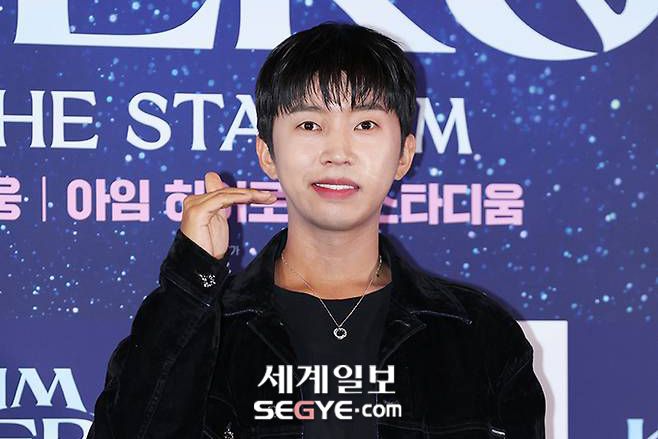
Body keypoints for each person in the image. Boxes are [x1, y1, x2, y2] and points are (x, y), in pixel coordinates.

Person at [88, 22, 546, 439]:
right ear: (267, 153)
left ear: (404, 155)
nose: (337, 152)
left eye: (365, 124)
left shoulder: (477, 333)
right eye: (310, 124)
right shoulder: (205, 326)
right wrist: (191, 282)